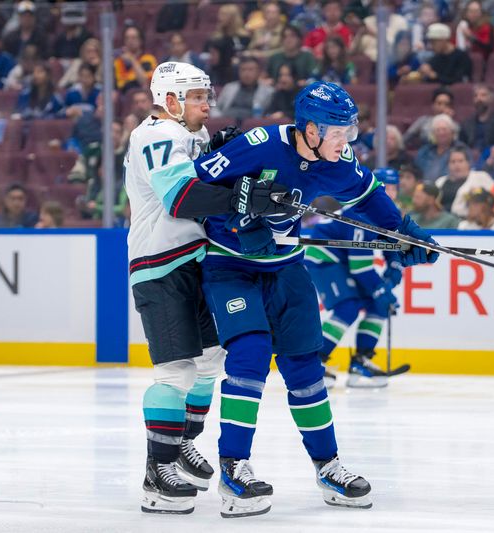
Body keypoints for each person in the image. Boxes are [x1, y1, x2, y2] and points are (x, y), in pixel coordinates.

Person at [190, 81, 439, 517]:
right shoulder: (259, 145)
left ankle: (328, 467)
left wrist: (404, 233)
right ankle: (234, 467)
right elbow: (189, 189)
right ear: (309, 129)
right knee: (249, 356)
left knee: (306, 368)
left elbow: (369, 198)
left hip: (286, 269)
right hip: (230, 267)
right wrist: (237, 204)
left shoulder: (337, 160)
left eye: (349, 132)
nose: (345, 142)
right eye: (336, 132)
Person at [124, 61, 280, 515]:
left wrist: (223, 157)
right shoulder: (156, 134)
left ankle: (184, 444)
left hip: (195, 259)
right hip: (160, 264)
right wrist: (243, 198)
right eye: (196, 97)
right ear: (169, 100)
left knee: (210, 360)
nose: (206, 105)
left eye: (205, 96)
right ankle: (158, 469)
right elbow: (180, 198)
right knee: (176, 371)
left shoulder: (188, 134)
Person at [304, 218, 403, 388]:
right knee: (347, 308)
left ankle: (360, 362)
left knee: (378, 306)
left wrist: (395, 265)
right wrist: (381, 290)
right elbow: (360, 267)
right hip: (325, 255)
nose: (391, 191)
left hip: (346, 258)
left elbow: (390, 240)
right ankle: (311, 365)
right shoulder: (363, 213)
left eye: (394, 189)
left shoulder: (387, 212)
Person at [435, 147, 494, 218]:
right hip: (442, 222)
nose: (456, 165)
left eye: (460, 161)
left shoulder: (481, 177)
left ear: (468, 163)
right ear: (448, 165)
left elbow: (493, 198)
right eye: (453, 162)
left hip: (470, 221)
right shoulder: (440, 182)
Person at [415, 113, 463, 183]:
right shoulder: (424, 152)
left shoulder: (461, 150)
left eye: (444, 129)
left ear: (452, 132)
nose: (441, 133)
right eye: (437, 130)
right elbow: (416, 173)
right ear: (433, 134)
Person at [459, 83, 494, 153]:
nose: (479, 99)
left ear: (492, 98)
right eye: (475, 96)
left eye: (483, 95)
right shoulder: (466, 123)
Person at [114, 25, 157, 93]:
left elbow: (144, 82)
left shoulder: (148, 59)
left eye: (133, 38)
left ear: (140, 40)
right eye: (127, 38)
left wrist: (132, 59)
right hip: (123, 94)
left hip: (140, 93)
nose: (130, 41)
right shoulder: (118, 60)